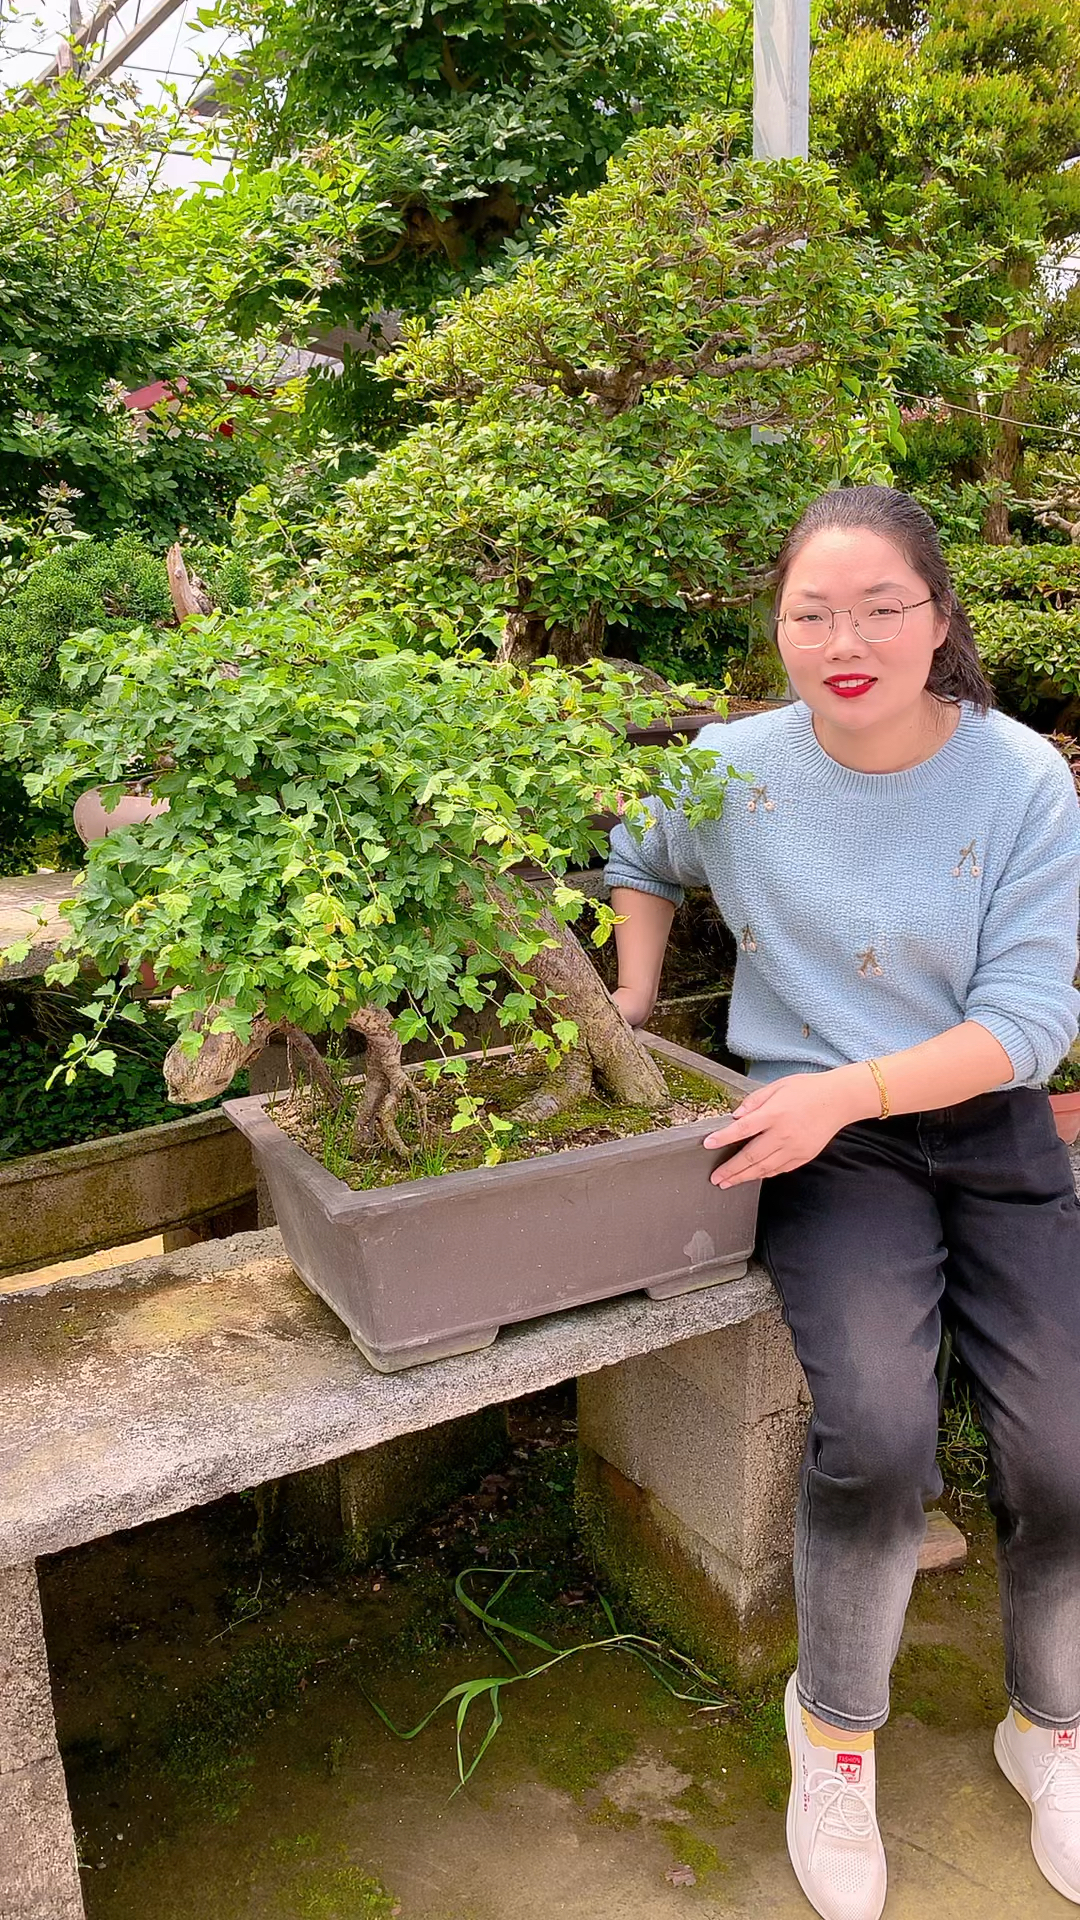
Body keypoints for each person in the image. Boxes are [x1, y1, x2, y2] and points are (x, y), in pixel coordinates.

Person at [604, 485, 1080, 1920]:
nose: (846, 638)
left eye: (881, 607)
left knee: (1064, 1441)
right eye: (813, 612)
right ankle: (836, 1738)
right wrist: (627, 1001)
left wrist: (848, 1089)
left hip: (980, 1120)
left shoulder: (1017, 780)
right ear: (780, 629)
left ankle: (1048, 1726)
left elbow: (1032, 1020)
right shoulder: (733, 765)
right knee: (874, 1435)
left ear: (941, 618)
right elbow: (640, 855)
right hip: (825, 1149)